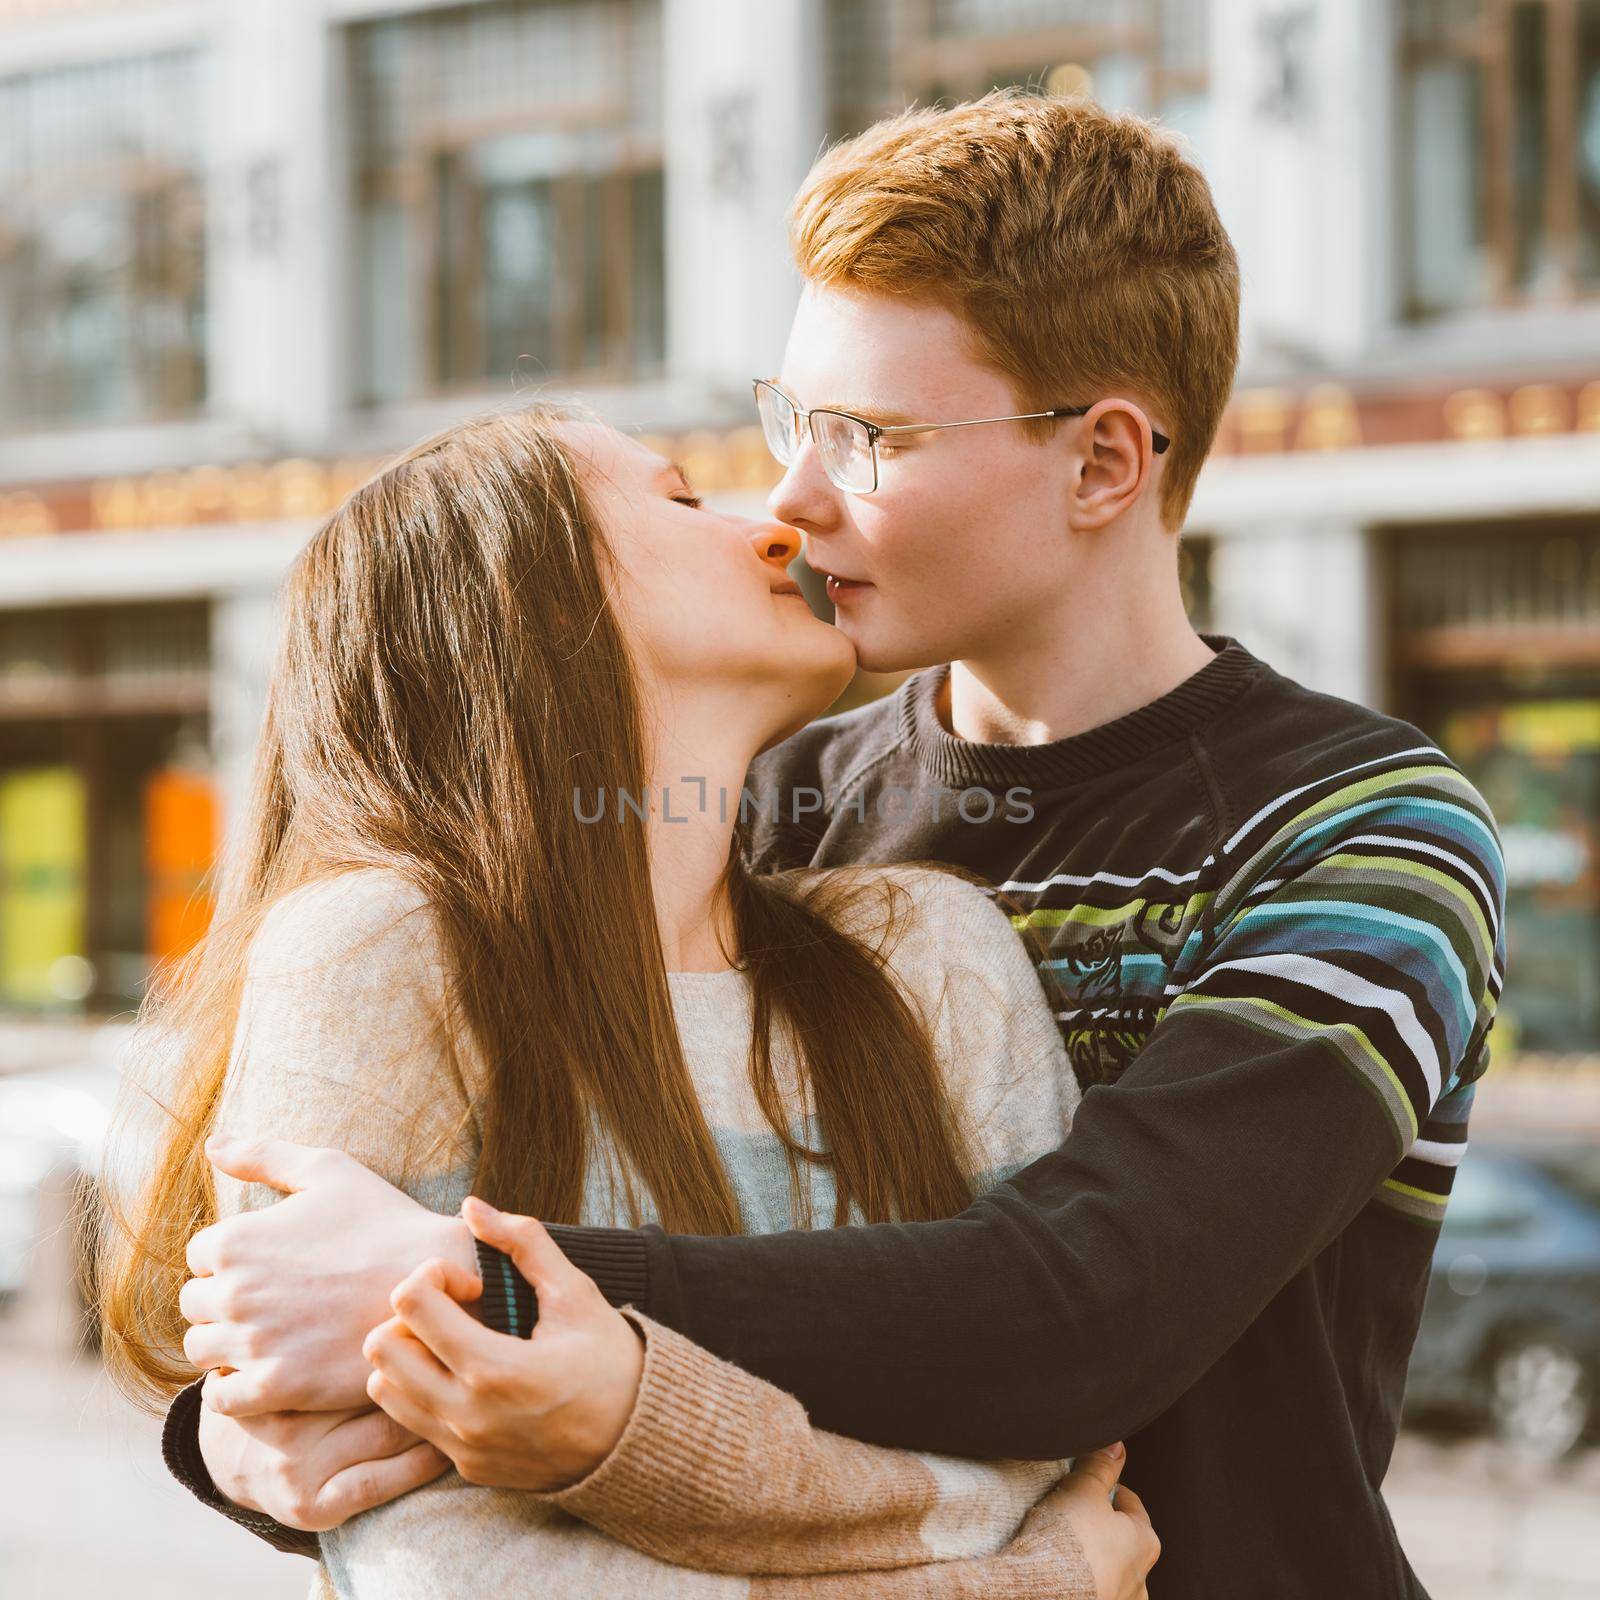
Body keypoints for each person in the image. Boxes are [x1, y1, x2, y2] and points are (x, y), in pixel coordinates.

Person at [154, 91, 1505, 1597]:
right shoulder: (765, 804)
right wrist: (245, 1432)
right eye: (788, 421)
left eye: (866, 437)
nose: (788, 504)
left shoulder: (1365, 833)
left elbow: (1091, 1306)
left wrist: (464, 1288)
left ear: (1104, 464)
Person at [100, 402, 1159, 1599]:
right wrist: (1026, 1587)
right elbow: (446, 1566)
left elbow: (1040, 1424)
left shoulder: (931, 949)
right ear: (532, 603)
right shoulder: (375, 953)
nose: (776, 529)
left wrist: (608, 1427)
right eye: (679, 500)